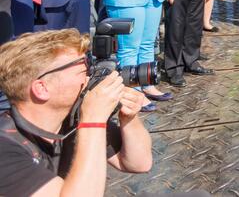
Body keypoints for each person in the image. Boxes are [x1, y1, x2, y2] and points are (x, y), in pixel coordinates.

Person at [0, 29, 152, 196]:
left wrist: (128, 117)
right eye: (83, 67)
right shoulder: (5, 149)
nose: (90, 75)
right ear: (42, 88)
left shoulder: (72, 116)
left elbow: (139, 163)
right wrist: (93, 121)